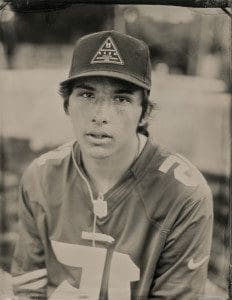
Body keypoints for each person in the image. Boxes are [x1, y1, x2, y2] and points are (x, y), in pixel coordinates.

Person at [11, 30, 213, 300]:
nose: (101, 115)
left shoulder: (184, 194)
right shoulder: (41, 177)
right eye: (86, 95)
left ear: (144, 112)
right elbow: (28, 290)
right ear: (66, 105)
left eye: (121, 99)